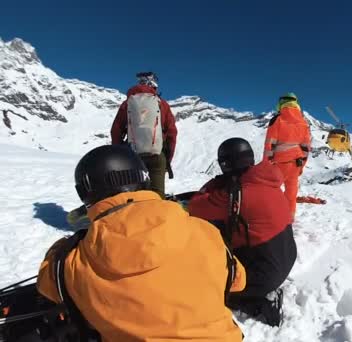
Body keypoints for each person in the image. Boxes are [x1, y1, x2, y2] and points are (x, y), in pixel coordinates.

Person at [36, 145, 246, 341]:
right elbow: (238, 281)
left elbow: (47, 285)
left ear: (85, 194)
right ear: (144, 179)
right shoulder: (205, 232)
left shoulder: (71, 262)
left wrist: (63, 247)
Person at [189, 138, 297, 327]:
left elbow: (196, 206)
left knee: (209, 286)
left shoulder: (238, 193)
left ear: (225, 164)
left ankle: (261, 304)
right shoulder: (267, 181)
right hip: (285, 255)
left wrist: (215, 184)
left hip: (264, 274)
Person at [110, 71, 177, 197]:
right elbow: (172, 133)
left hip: (133, 157)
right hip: (157, 155)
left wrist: (120, 155)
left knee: (135, 195)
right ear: (154, 86)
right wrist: (167, 160)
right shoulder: (162, 104)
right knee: (157, 196)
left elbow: (116, 131)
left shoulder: (127, 104)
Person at [263, 92, 311, 218]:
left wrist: (266, 165)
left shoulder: (277, 120)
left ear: (281, 103)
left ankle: (271, 217)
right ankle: (289, 219)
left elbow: (269, 145)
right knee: (291, 193)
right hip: (296, 163)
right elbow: (306, 148)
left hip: (279, 163)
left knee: (271, 190)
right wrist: (302, 166)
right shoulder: (304, 123)